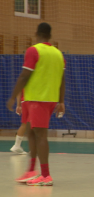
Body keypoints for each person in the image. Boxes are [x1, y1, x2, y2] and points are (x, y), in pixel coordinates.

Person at [6, 22, 65, 186]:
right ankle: (31, 170)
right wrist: (61, 101)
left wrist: (12, 97)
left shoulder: (34, 50)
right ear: (50, 36)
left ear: (37, 34)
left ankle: (46, 175)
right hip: (49, 99)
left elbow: (25, 75)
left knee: (40, 136)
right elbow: (63, 80)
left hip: (37, 99)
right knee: (31, 132)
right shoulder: (58, 54)